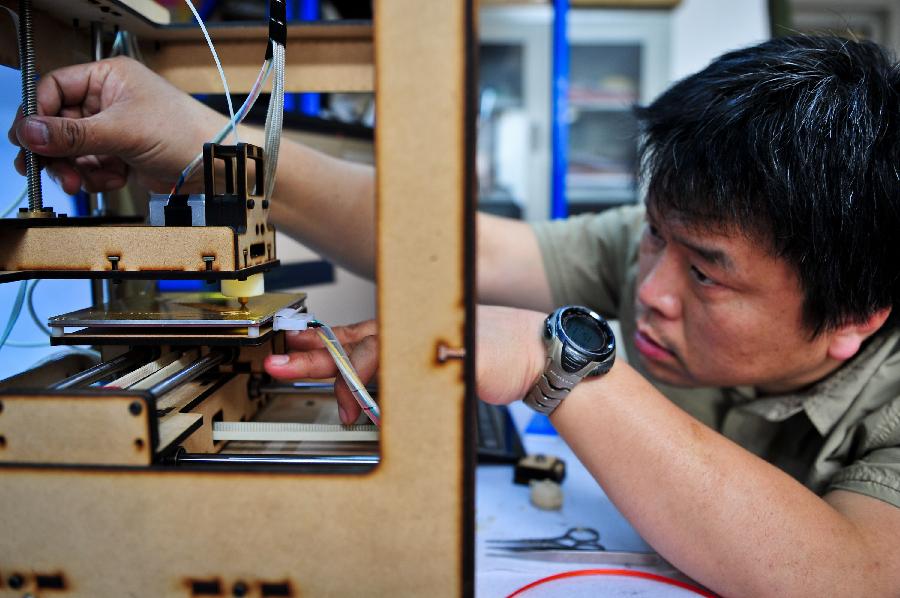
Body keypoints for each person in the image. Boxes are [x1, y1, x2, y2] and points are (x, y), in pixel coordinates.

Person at [9, 34, 900, 596]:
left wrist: (554, 366)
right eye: (654, 236)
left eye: (706, 274)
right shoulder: (662, 247)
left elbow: (850, 577)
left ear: (855, 318)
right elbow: (456, 249)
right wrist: (206, 142)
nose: (653, 288)